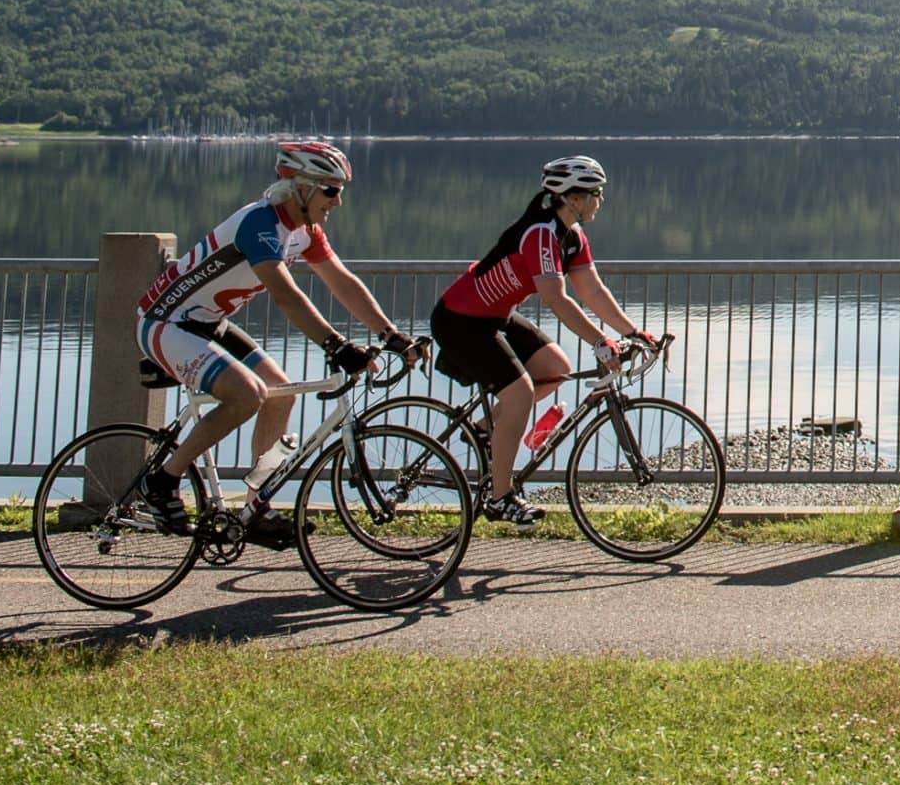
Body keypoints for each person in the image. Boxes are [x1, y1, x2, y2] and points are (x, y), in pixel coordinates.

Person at [134, 140, 415, 544]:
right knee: (248, 395)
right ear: (301, 187)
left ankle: (254, 508)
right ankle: (163, 480)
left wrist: (391, 336)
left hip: (209, 322)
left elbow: (343, 284)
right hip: (165, 321)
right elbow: (287, 296)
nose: (338, 202)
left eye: (341, 190)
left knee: (280, 395)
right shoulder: (259, 224)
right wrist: (336, 346)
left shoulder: (306, 232)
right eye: (331, 190)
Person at [431, 155, 654, 526]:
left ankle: (486, 429)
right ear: (574, 198)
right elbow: (555, 297)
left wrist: (631, 331)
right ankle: (501, 497)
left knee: (555, 369)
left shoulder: (572, 237)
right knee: (518, 394)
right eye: (596, 193)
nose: (600, 200)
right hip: (461, 321)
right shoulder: (539, 233)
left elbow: (592, 291)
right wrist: (600, 341)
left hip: (494, 317)